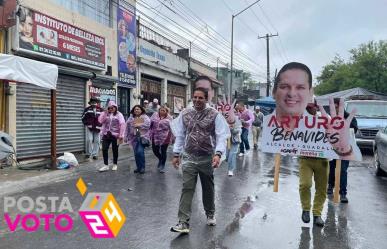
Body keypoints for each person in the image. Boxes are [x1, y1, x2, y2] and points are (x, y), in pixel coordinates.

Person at [170, 86, 230, 234]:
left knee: (207, 187)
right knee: (187, 188)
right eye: (195, 97)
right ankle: (183, 222)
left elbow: (221, 136)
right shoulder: (185, 114)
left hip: (207, 157)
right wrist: (176, 154)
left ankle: (210, 213)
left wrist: (218, 154)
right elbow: (180, 135)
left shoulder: (214, 115)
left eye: (200, 98)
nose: (197, 100)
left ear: (206, 98)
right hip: (189, 157)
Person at [327, 98, 358, 203]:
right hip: (331, 148)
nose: (335, 109)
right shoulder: (329, 116)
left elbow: (354, 130)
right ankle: (330, 185)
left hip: (345, 149)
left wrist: (344, 124)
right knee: (331, 168)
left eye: (337, 107)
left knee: (343, 170)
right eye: (334, 107)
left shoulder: (349, 117)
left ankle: (343, 193)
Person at [98, 101, 125, 172]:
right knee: (104, 149)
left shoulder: (119, 114)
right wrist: (105, 113)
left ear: (115, 107)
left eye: (113, 107)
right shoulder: (106, 114)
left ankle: (115, 164)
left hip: (116, 135)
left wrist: (121, 135)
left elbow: (122, 124)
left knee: (115, 150)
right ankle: (106, 165)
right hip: (106, 134)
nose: (111, 109)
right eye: (109, 108)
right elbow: (100, 121)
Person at [125, 105, 151, 174]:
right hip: (133, 137)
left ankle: (142, 167)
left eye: (138, 109)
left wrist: (139, 125)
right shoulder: (131, 118)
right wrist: (125, 136)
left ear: (141, 110)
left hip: (142, 137)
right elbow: (127, 127)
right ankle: (138, 167)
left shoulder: (144, 117)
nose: (136, 110)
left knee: (140, 152)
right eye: (135, 109)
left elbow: (148, 125)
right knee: (136, 153)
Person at [150, 106, 173, 173]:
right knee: (155, 150)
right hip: (155, 136)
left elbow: (172, 128)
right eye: (161, 110)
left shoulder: (170, 118)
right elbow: (148, 124)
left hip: (165, 136)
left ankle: (162, 165)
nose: (162, 112)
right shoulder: (154, 116)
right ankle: (160, 158)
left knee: (163, 151)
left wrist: (173, 137)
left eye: (164, 110)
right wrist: (139, 133)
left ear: (166, 112)